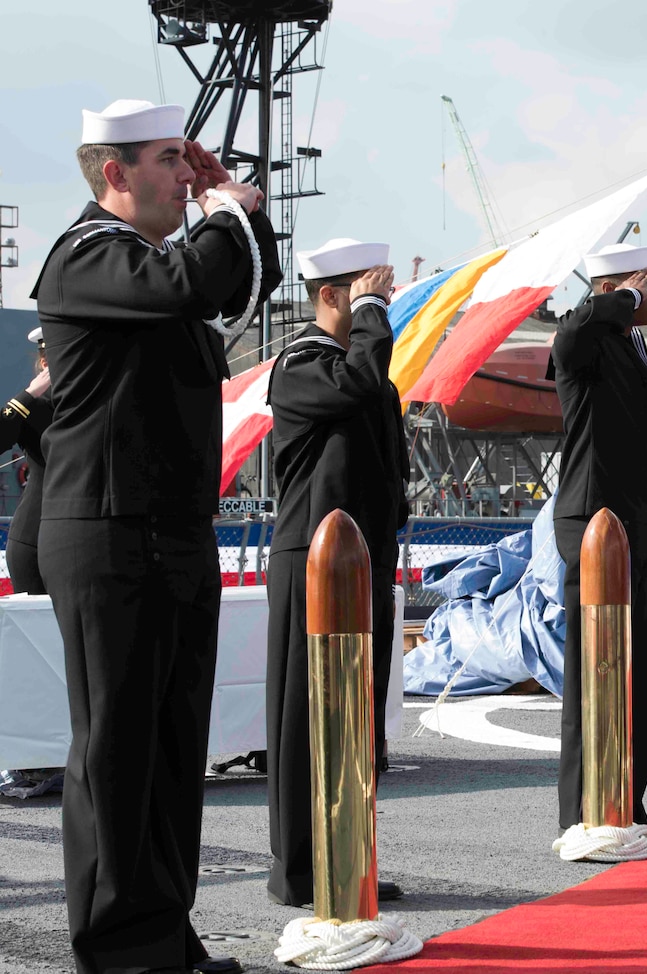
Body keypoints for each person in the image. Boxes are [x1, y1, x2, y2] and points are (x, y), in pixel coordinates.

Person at [30, 99, 280, 974]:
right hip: (106, 531)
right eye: (170, 159)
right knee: (118, 751)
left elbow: (241, 286)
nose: (186, 173)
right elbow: (188, 284)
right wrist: (224, 211)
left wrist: (248, 216)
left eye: (187, 160)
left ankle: (164, 935)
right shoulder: (86, 254)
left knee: (175, 751)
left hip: (170, 529)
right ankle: (120, 950)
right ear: (114, 174)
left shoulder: (150, 260)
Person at [264, 238, 409, 907]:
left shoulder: (360, 367)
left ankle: (348, 854)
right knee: (306, 718)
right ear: (331, 295)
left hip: (363, 558)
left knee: (357, 716)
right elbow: (357, 384)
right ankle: (299, 869)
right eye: (367, 292)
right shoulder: (301, 363)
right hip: (313, 560)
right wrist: (374, 313)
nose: (381, 307)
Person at [547, 242, 647, 837]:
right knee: (593, 669)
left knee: (634, 665)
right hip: (592, 522)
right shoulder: (587, 338)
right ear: (617, 289)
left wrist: (626, 304)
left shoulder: (631, 343)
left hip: (634, 521)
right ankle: (582, 809)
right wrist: (622, 298)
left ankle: (627, 799)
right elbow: (568, 340)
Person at [2, 327, 51, 594]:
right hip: (35, 539)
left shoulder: (96, 407)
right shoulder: (35, 408)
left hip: (87, 543)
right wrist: (28, 396)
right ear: (45, 363)